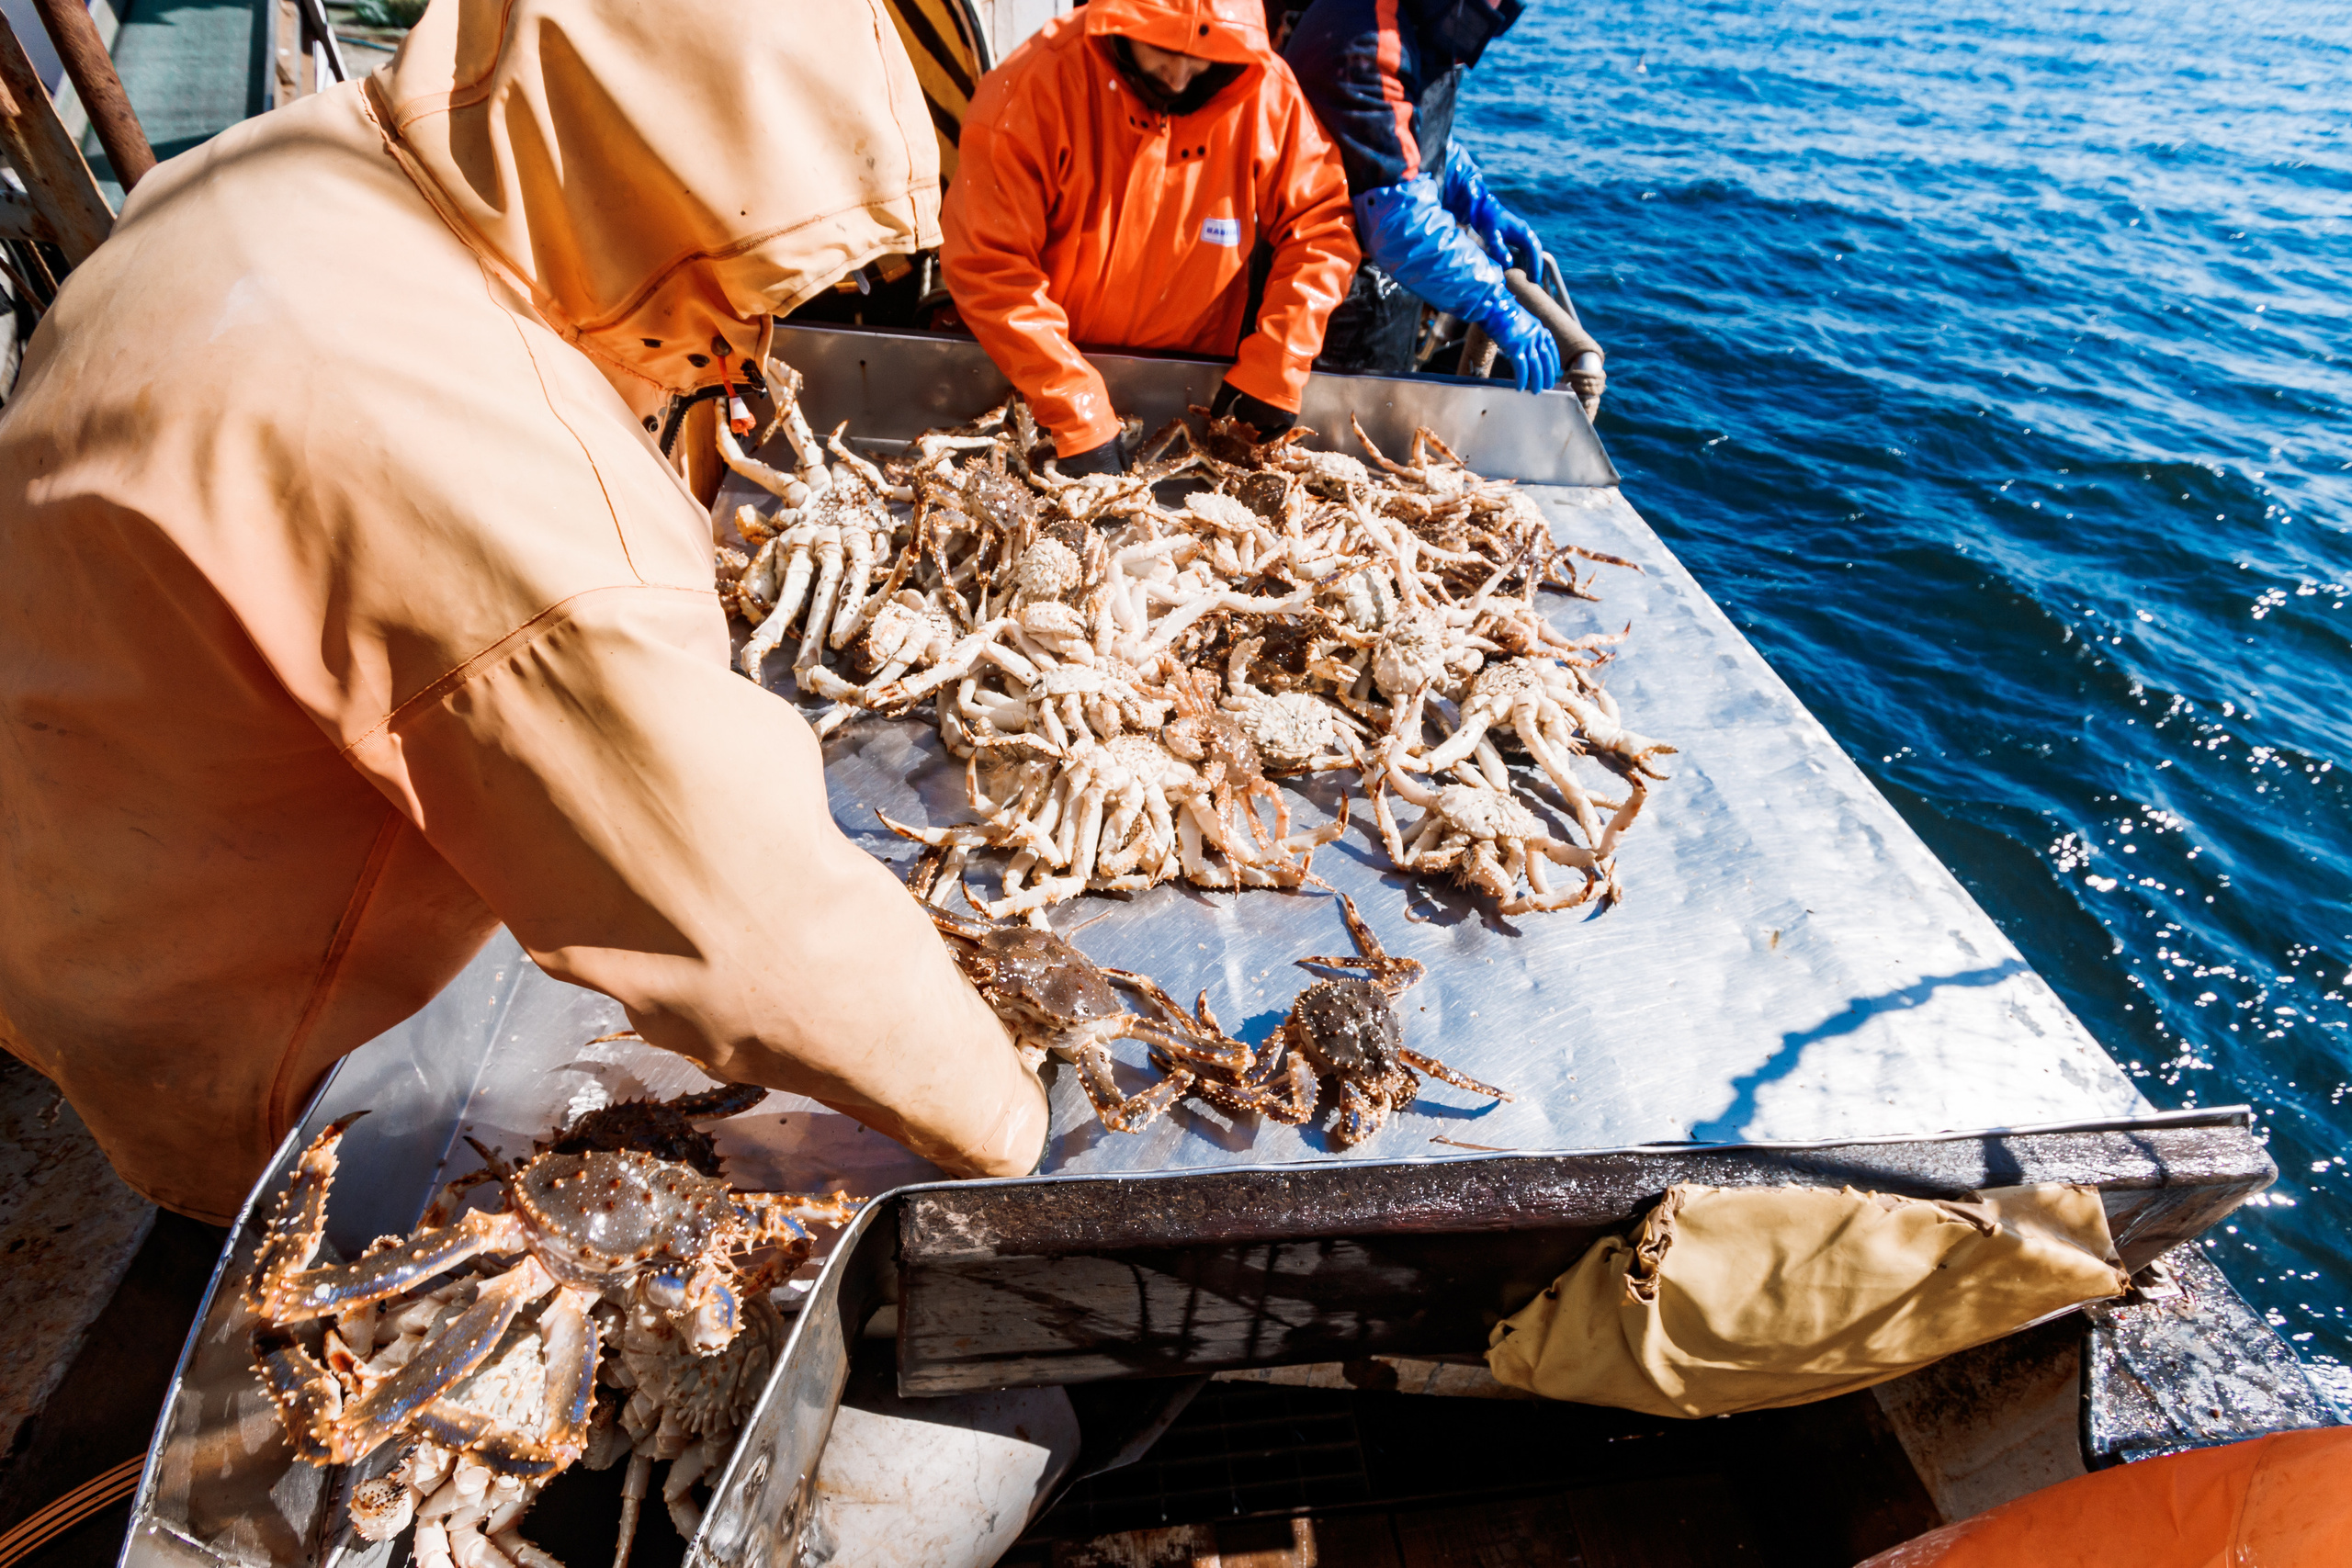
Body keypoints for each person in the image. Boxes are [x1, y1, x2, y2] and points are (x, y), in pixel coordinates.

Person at [0, 0, 1049, 1225]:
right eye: (755, 275)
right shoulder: (457, 451)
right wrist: (1016, 1130)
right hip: (236, 1023)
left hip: (74, 882)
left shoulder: (291, 166)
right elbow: (744, 915)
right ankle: (223, 1233)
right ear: (674, 193)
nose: (755, 332)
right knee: (315, 1241)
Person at [940, 0, 1359, 470]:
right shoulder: (1036, 84)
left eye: (1203, 58)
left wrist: (1280, 358)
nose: (1178, 78)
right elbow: (987, 262)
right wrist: (1073, 408)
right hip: (1033, 387)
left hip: (1193, 398)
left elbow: (1321, 226)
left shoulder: (1266, 90)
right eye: (1160, 51)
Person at [1281, 0, 1601, 402]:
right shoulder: (1367, 39)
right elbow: (1396, 219)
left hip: (1380, 289)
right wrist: (1497, 305)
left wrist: (1473, 195)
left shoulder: (1407, 22)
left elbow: (1407, 135)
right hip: (1327, 298)